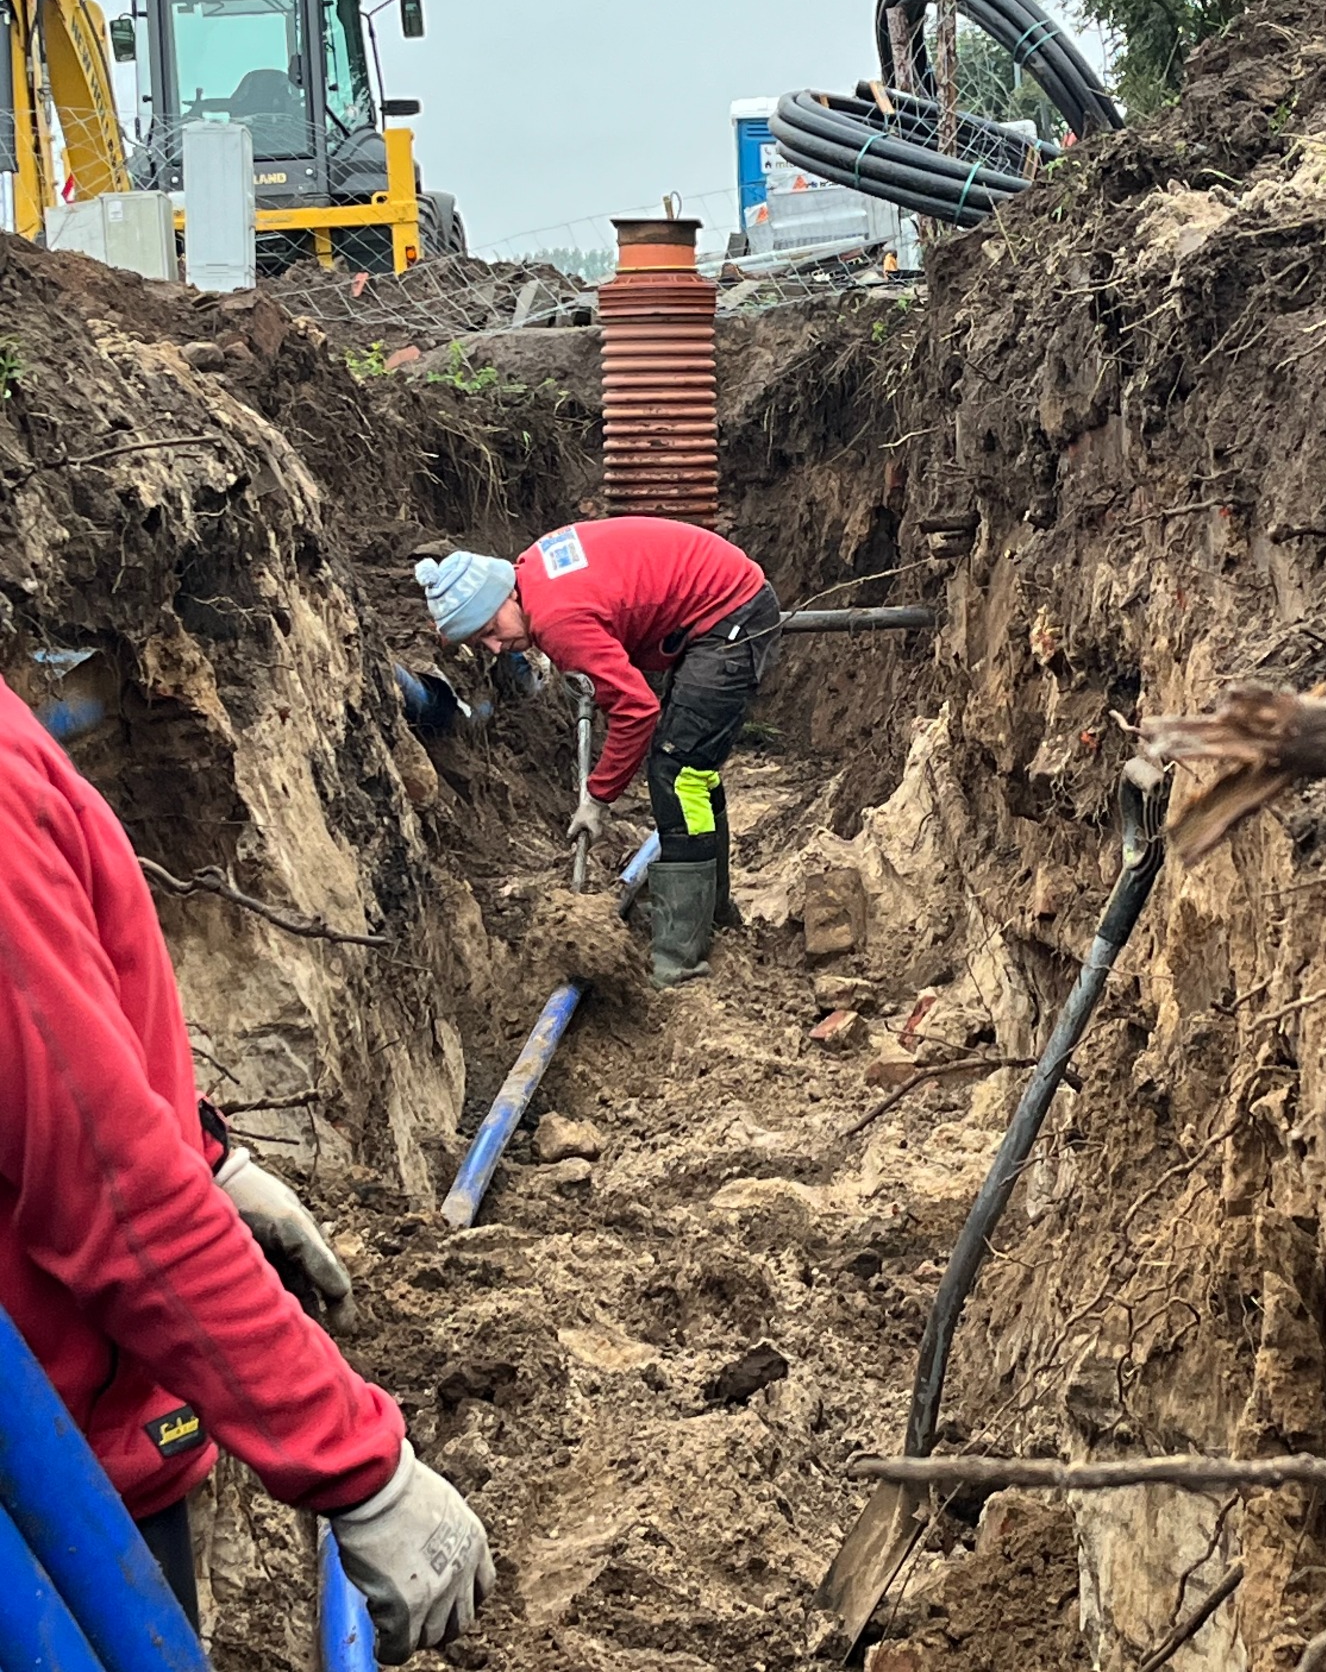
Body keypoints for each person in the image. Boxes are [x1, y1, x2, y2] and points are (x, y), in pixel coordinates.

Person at [0, 674, 493, 1664]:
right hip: (56, 1493)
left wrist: (209, 1158)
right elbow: (116, 1198)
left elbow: (59, 1045)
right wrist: (361, 1472)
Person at [416, 518, 782, 985]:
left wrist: (599, 795)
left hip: (729, 612)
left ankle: (679, 955)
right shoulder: (532, 571)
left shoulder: (557, 620)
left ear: (506, 594)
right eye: (480, 643)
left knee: (678, 771)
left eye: (491, 628)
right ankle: (711, 911)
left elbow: (637, 709)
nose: (496, 646)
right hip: (719, 595)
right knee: (693, 767)